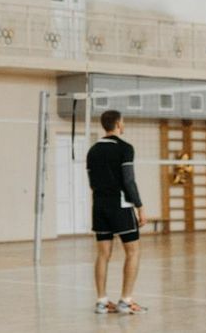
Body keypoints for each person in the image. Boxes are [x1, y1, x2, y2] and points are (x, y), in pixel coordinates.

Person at [86, 110, 146, 314]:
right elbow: (129, 180)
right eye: (123, 121)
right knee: (133, 251)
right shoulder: (125, 148)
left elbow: (92, 183)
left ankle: (102, 302)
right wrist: (139, 206)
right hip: (120, 205)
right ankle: (125, 301)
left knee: (103, 254)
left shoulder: (92, 150)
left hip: (99, 205)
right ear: (118, 124)